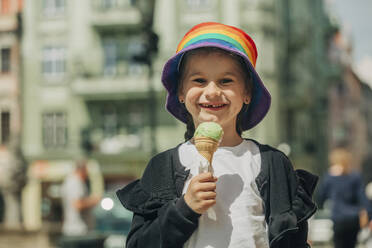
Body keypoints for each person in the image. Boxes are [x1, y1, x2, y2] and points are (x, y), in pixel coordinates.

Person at [116, 22, 318, 248]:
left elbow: (294, 240)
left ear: (247, 93)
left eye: (226, 81)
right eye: (199, 80)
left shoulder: (273, 163)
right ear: (181, 92)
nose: (212, 92)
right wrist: (184, 209)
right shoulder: (162, 167)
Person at [317, 147, 372, 248]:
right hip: (353, 218)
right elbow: (362, 198)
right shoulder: (355, 176)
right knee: (351, 245)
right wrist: (368, 214)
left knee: (339, 244)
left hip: (338, 218)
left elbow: (321, 197)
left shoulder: (329, 177)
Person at [60, 160, 100, 236]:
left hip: (73, 228)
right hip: (78, 229)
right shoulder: (75, 182)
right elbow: (77, 204)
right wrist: (93, 201)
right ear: (83, 170)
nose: (87, 174)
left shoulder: (69, 181)